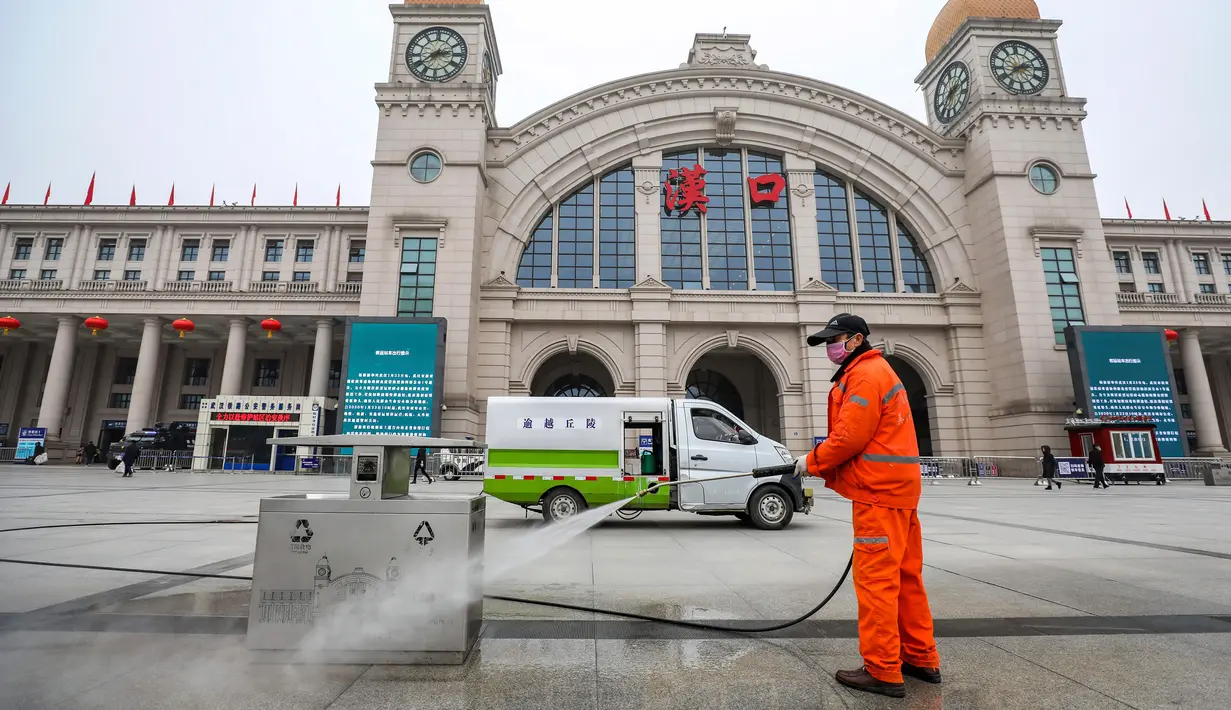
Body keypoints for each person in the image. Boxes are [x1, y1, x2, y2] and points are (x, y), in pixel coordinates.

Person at [795, 313, 940, 699]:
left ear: (857, 339)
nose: (830, 347)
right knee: (907, 578)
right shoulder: (878, 371)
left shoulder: (864, 375)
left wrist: (809, 462)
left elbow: (848, 437)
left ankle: (882, 669)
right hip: (900, 493)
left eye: (835, 339)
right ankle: (920, 657)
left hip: (878, 494)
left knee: (877, 582)